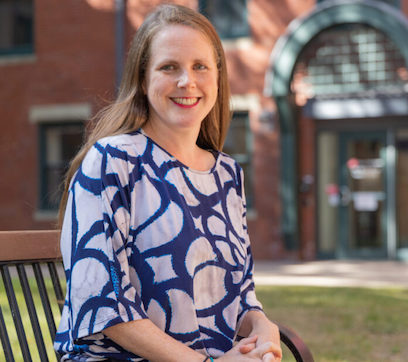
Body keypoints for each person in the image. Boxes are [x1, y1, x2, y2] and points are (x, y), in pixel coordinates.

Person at [53, 4, 282, 361]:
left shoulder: (227, 174)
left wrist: (263, 325)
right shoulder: (111, 161)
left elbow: (239, 296)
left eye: (199, 67)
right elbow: (105, 306)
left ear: (218, 77)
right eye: (169, 67)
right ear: (143, 81)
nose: (186, 81)